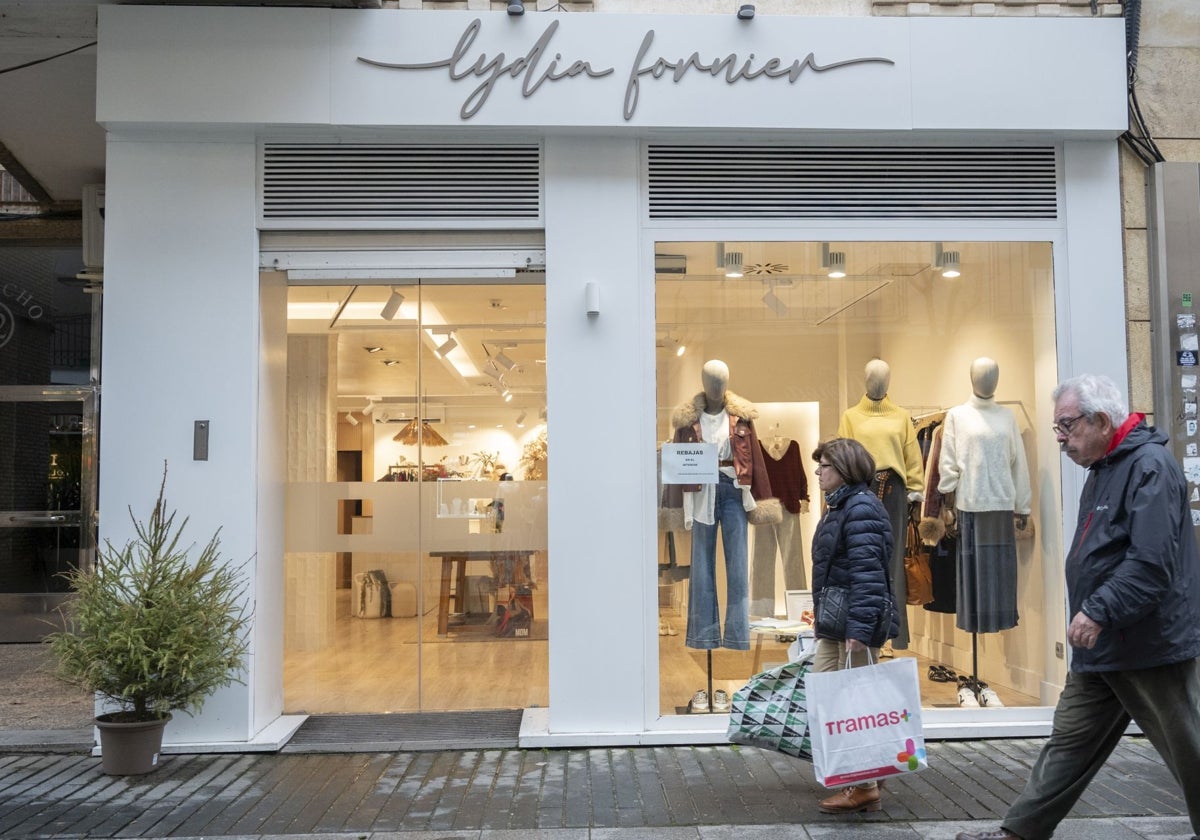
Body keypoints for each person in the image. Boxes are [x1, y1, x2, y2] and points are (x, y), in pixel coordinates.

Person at [957, 373, 1200, 840]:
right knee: (1069, 742)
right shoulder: (1105, 468)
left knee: (1187, 747)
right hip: (1105, 644)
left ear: (1102, 421)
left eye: (1067, 426)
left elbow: (1151, 563)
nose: (1061, 439)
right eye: (1057, 428)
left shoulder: (1149, 467)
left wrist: (1098, 610)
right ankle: (1021, 832)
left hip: (1149, 644)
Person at [661, 359, 780, 652]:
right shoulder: (687, 420)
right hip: (701, 491)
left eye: (721, 381)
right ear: (704, 384)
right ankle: (703, 636)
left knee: (738, 567)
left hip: (733, 489)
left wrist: (762, 499)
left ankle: (738, 636)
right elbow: (677, 465)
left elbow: (755, 458)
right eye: (713, 381)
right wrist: (674, 506)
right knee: (701, 566)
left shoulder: (741, 417)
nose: (718, 386)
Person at [809, 437, 899, 815]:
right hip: (837, 621)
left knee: (852, 703)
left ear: (844, 469)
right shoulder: (841, 505)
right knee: (828, 696)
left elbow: (869, 574)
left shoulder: (860, 507)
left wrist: (859, 631)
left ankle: (864, 786)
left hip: (851, 624)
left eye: (824, 466)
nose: (818, 472)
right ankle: (866, 776)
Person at [837, 359, 924, 650]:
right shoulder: (851, 416)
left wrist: (915, 489)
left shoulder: (901, 418)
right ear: (864, 379)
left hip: (894, 492)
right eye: (874, 378)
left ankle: (894, 633)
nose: (878, 383)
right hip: (860, 489)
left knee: (893, 560)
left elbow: (912, 456)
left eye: (883, 378)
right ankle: (861, 632)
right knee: (860, 559)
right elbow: (842, 454)